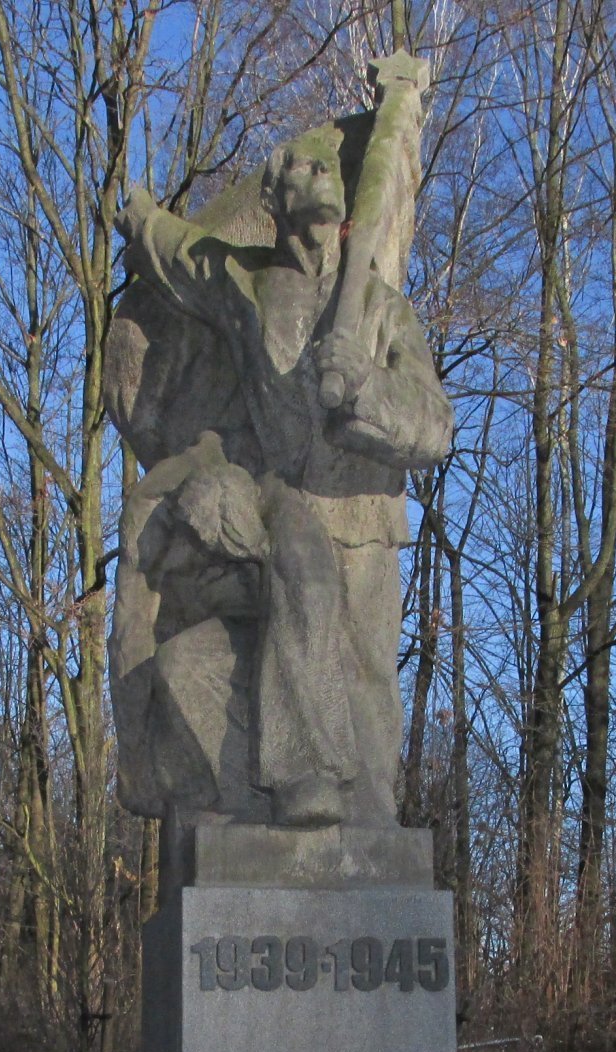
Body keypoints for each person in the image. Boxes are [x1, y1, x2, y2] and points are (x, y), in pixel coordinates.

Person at [114, 124, 453, 828]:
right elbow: (181, 254)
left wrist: (367, 392)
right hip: (273, 510)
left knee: (364, 708)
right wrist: (140, 216)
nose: (320, 173)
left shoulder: (383, 311)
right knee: (236, 669)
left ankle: (361, 867)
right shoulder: (245, 282)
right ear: (271, 196)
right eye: (302, 166)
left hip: (360, 524)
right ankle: (280, 798)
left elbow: (432, 426)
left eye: (330, 166)